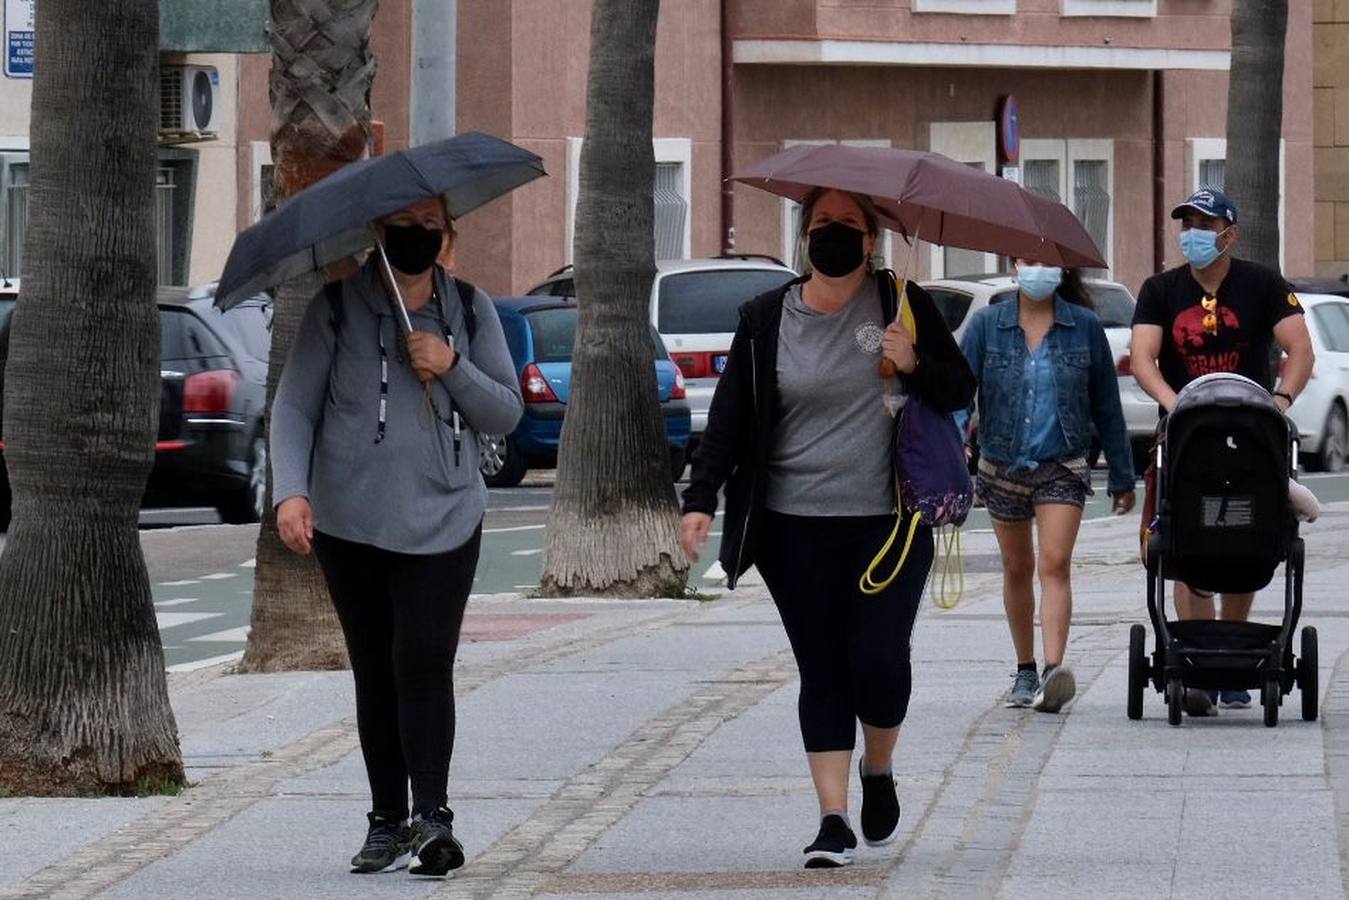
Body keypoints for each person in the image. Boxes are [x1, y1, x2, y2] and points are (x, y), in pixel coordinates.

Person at [679, 188, 975, 869]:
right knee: (822, 668)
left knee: (878, 659)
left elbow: (957, 390)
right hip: (792, 527)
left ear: (870, 240)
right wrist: (700, 498)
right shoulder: (764, 318)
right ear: (801, 236)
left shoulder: (902, 302)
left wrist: (912, 363)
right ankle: (833, 819)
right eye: (820, 225)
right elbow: (729, 420)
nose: (831, 235)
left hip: (889, 525)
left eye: (846, 225)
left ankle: (878, 767)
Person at [271, 196, 523, 877]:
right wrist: (290, 490)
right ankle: (386, 820)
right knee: (376, 669)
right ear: (377, 232)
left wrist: (449, 364)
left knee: (423, 659)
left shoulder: (470, 311)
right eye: (403, 227)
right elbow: (294, 405)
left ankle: (432, 818)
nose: (417, 237)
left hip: (444, 516)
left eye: (431, 228)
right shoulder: (336, 309)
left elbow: (503, 412)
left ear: (448, 238)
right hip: (350, 522)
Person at [1130, 188, 1314, 715]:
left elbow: (1299, 348)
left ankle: (1233, 657)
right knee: (1187, 534)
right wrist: (1176, 403)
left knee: (1247, 533)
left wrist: (1278, 401)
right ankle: (1197, 660)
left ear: (1229, 234)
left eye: (1203, 225)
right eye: (1186, 224)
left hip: (1251, 434)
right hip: (1187, 435)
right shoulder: (1161, 290)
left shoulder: (1262, 285)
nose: (1193, 234)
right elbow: (1143, 356)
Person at [958, 262, 1135, 713]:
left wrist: (1121, 474)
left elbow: (1106, 404)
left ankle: (1055, 671)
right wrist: (954, 446)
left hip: (1064, 462)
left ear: (1062, 270)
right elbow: (959, 393)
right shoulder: (985, 326)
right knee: (1017, 567)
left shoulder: (1084, 327)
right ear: (1015, 267)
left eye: (1048, 262)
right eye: (1028, 261)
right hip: (1002, 464)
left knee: (1055, 563)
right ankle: (1025, 669)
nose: (1037, 270)